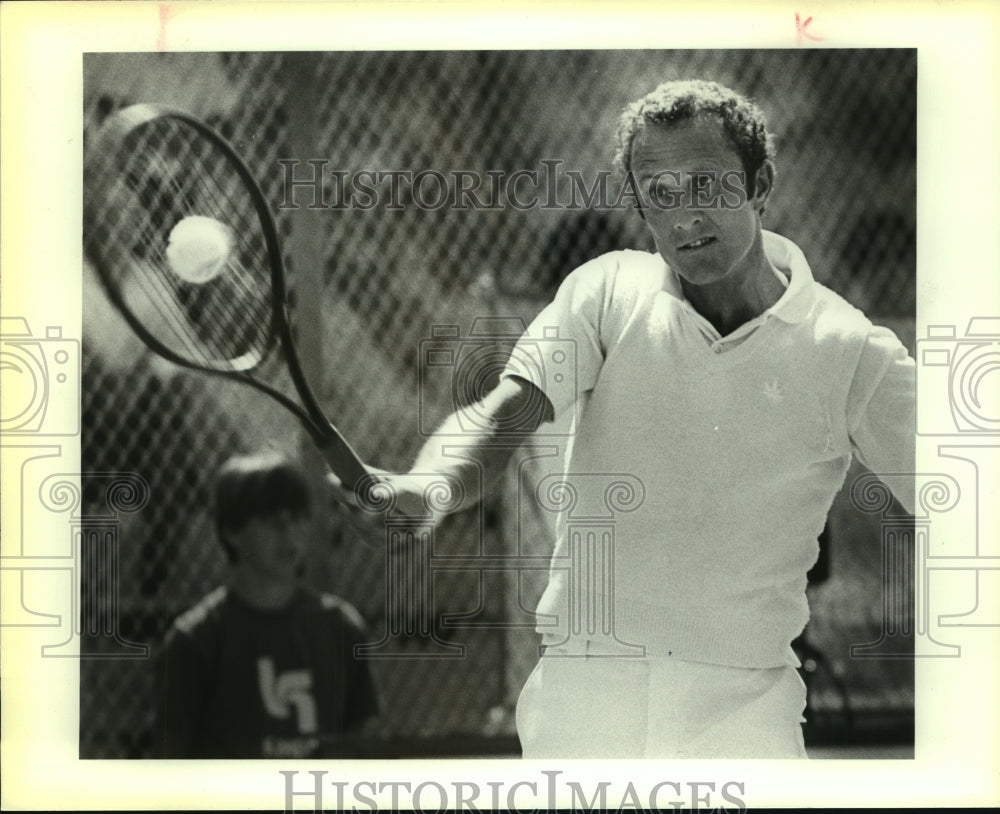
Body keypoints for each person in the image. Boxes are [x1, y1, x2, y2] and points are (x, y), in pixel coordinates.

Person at [335, 79, 915, 758]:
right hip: (583, 699)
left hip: (743, 712)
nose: (683, 217)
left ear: (760, 184)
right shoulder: (606, 291)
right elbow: (501, 416)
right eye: (659, 195)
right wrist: (430, 486)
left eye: (705, 184)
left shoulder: (849, 351)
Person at [155, 451, 380, 758]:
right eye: (270, 520)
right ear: (232, 532)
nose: (288, 534)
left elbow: (360, 749)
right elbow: (170, 765)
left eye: (296, 518)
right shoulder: (196, 639)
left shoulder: (341, 626)